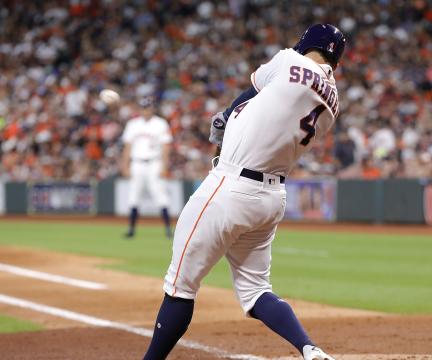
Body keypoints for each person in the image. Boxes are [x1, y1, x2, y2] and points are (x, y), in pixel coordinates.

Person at [142, 24, 346, 360]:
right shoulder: (333, 102)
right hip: (271, 198)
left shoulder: (288, 61)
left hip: (230, 186)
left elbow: (252, 90)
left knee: (179, 288)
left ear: (307, 43)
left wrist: (224, 116)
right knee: (256, 291)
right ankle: (310, 349)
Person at [120, 96, 173, 239]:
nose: (146, 110)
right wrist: (125, 165)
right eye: (143, 108)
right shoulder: (133, 124)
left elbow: (166, 146)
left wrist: (164, 166)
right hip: (137, 163)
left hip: (154, 163)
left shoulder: (160, 123)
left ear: (153, 108)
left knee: (160, 195)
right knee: (133, 196)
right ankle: (131, 230)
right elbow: (128, 146)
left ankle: (168, 229)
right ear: (140, 109)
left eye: (148, 107)